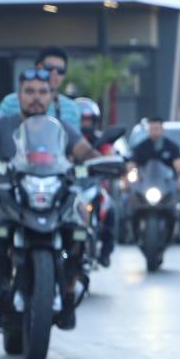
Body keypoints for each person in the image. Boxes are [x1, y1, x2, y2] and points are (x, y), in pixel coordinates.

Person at [0, 68, 96, 326]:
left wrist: (104, 161)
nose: (36, 98)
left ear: (51, 96)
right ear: (19, 95)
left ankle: (71, 285)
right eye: (30, 92)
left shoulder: (61, 127)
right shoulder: (1, 124)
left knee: (83, 215)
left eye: (43, 92)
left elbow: (85, 151)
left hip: (53, 187)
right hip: (6, 187)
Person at [0, 47, 82, 130]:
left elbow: (75, 144)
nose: (54, 73)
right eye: (49, 68)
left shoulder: (72, 109)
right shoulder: (10, 102)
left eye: (60, 70)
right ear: (37, 67)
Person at [74, 98, 116, 266]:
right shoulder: (68, 139)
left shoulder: (101, 140)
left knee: (110, 208)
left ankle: (106, 252)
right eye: (82, 120)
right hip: (72, 185)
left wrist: (112, 163)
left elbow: (110, 155)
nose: (85, 124)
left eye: (88, 120)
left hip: (93, 185)